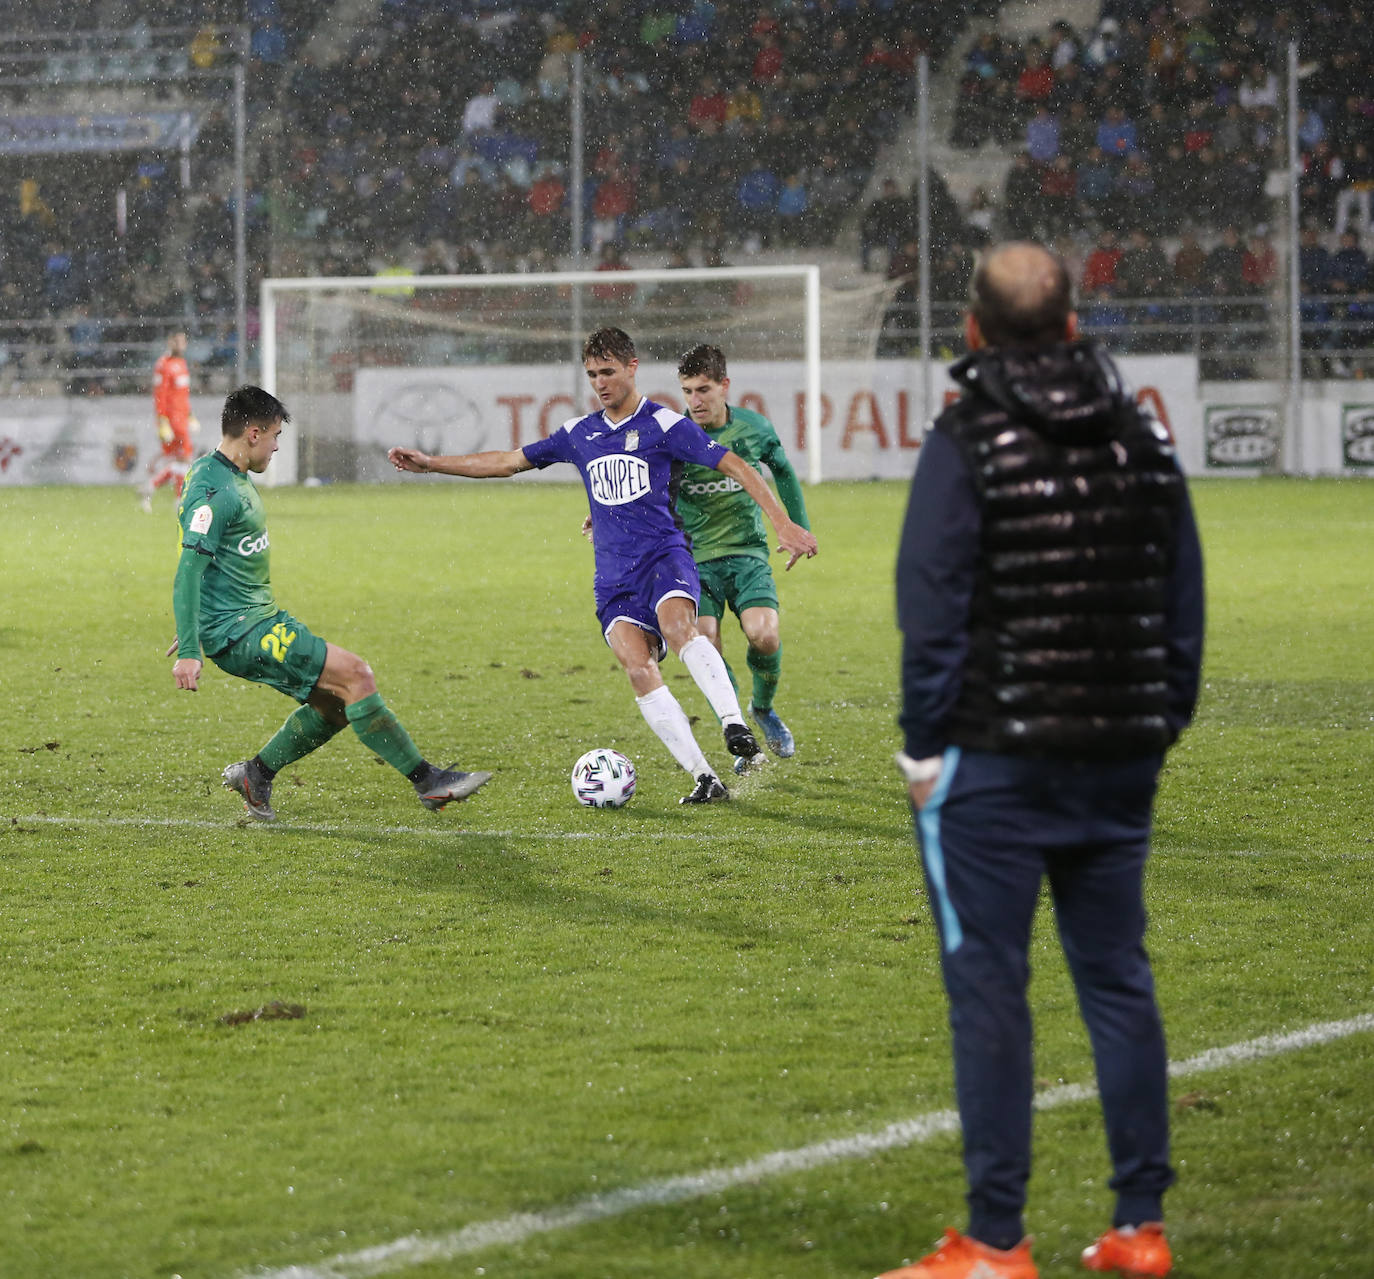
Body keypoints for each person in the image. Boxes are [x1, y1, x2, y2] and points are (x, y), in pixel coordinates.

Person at [881, 242, 1204, 1279]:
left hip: (997, 758)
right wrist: (1162, 717)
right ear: (1073, 326)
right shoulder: (1141, 430)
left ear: (972, 331)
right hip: (1121, 750)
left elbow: (930, 603)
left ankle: (993, 1240)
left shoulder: (965, 434)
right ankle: (1140, 1226)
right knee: (1117, 976)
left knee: (991, 990)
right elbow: (1182, 590)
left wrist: (925, 747)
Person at [387, 327, 818, 804]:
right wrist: (432, 463)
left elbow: (736, 465)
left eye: (608, 371)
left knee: (679, 629)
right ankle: (703, 777)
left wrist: (783, 524)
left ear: (632, 368)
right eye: (592, 374)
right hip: (614, 577)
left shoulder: (665, 424)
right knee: (638, 669)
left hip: (664, 556)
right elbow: (509, 461)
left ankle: (735, 725)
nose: (599, 382)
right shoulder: (579, 434)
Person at [170, 386, 490, 822]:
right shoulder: (219, 492)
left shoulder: (211, 472)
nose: (278, 445)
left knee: (337, 705)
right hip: (244, 631)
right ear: (253, 432)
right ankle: (429, 782)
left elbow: (209, 560)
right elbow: (189, 568)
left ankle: (256, 775)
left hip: (247, 620)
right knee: (356, 675)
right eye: (276, 435)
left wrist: (198, 617)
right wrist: (191, 647)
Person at [673, 343, 810, 772]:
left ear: (724, 386)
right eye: (687, 391)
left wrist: (796, 527)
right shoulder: (676, 436)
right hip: (695, 560)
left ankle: (763, 709)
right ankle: (740, 735)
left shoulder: (754, 429)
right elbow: (646, 484)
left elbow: (783, 470)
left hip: (747, 553)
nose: (695, 401)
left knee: (764, 636)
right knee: (706, 647)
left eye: (703, 390)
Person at [140, 329, 199, 512]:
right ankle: (175, 498)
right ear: (170, 342)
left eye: (183, 341)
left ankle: (151, 488)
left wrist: (189, 414)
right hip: (172, 420)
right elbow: (160, 395)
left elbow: (183, 394)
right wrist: (163, 420)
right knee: (185, 459)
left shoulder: (182, 363)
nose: (181, 345)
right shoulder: (163, 364)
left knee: (179, 462)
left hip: (182, 417)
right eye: (177, 341)